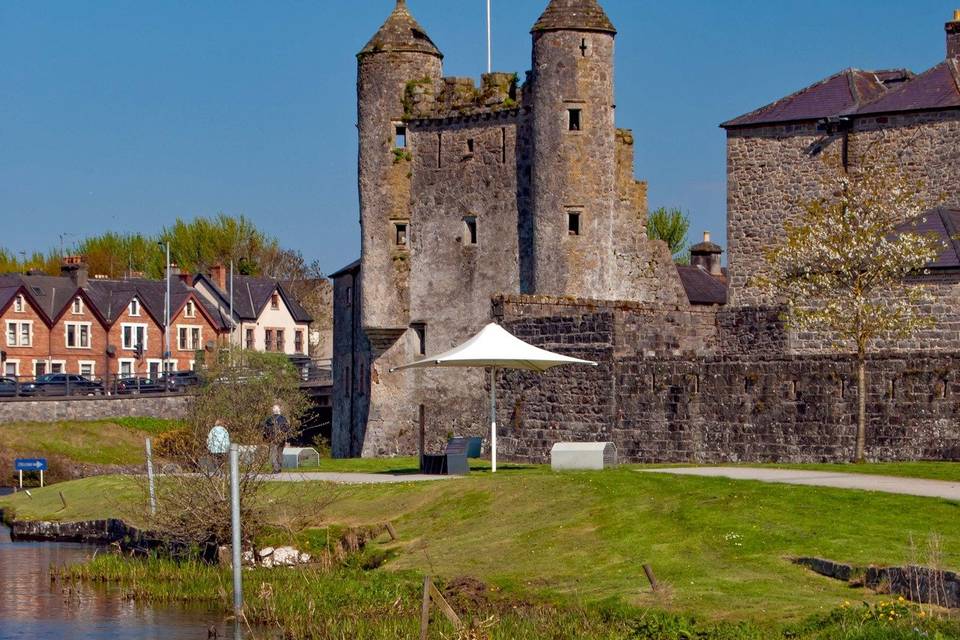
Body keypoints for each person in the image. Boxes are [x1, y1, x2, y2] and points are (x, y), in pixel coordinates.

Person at [263, 404, 288, 474]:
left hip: (273, 439)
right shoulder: (284, 418)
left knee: (273, 454)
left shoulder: (269, 419)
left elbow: (265, 430)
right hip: (282, 439)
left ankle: (276, 469)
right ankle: (279, 468)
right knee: (280, 453)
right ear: (279, 410)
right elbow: (287, 429)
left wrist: (265, 438)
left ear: (273, 411)